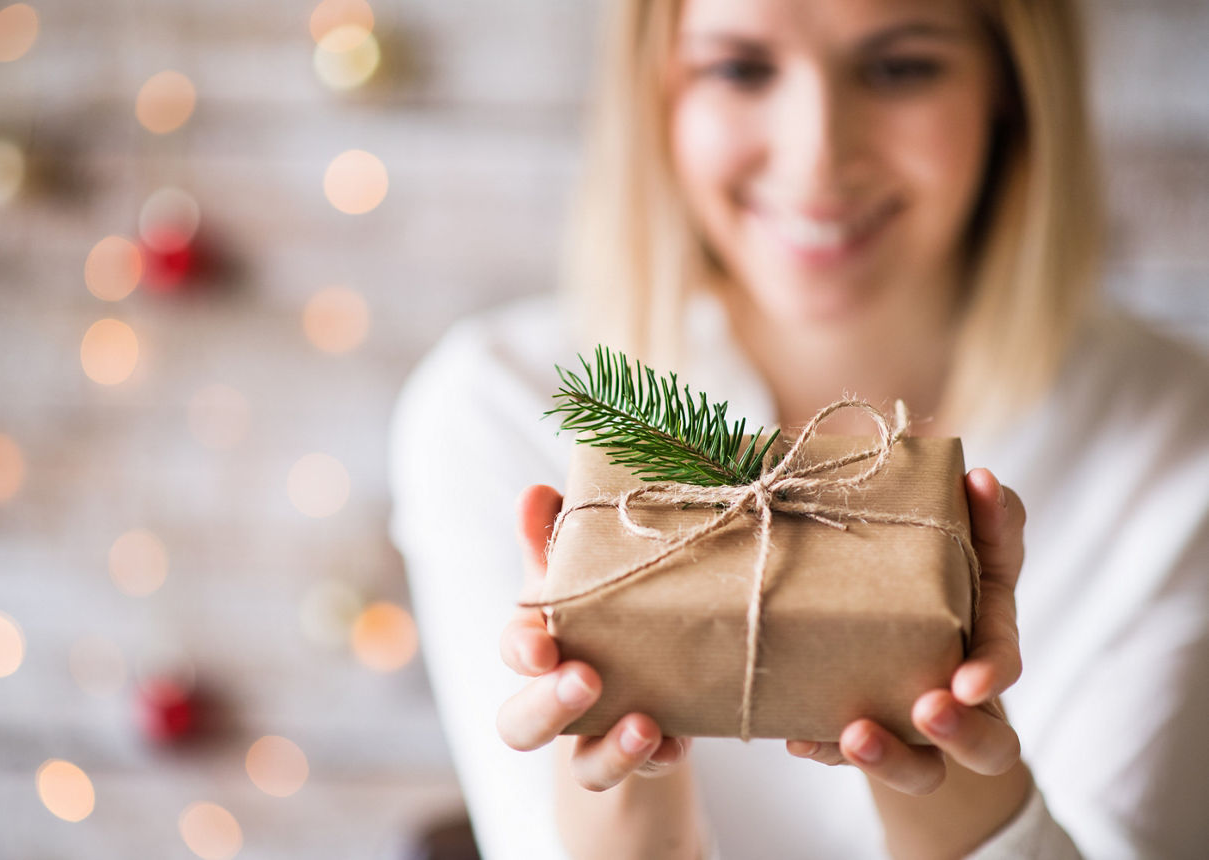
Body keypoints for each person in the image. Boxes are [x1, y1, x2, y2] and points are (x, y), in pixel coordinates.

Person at [388, 0, 1209, 856]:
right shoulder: (507, 407)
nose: (817, 156)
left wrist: (963, 792)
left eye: (900, 68)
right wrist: (621, 793)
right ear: (655, 89)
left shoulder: (1178, 445)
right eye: (740, 68)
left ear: (1009, 84)